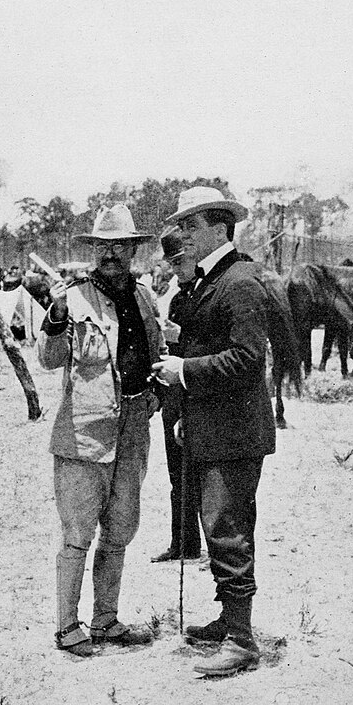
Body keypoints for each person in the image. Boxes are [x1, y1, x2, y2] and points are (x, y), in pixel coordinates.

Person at [152, 186, 276, 677]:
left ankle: (243, 641)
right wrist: (187, 410)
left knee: (227, 530)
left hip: (237, 433)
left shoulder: (240, 282)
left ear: (220, 228)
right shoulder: (210, 281)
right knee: (216, 524)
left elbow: (248, 361)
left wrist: (184, 370)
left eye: (190, 225)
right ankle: (229, 619)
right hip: (212, 427)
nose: (181, 233)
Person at [38, 203, 166, 657]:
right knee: (77, 533)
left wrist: (157, 392)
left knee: (120, 530)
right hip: (83, 434)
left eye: (120, 246)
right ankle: (67, 628)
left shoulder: (147, 297)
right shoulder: (71, 297)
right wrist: (53, 315)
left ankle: (106, 621)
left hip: (133, 428)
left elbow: (158, 353)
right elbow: (49, 359)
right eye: (103, 246)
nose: (111, 254)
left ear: (133, 251)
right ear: (95, 250)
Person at [151, 228, 202, 563]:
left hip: (201, 394)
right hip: (175, 396)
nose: (176, 268)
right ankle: (183, 543)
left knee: (206, 476)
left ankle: (216, 548)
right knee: (177, 474)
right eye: (172, 262)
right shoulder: (178, 295)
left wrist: (182, 336)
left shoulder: (209, 292)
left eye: (181, 261)